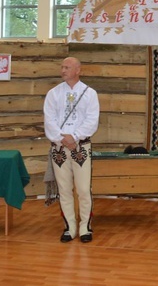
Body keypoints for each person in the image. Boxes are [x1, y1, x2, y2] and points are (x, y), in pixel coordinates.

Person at [43, 57, 99, 243]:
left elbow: (92, 120)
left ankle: (85, 227)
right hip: (59, 147)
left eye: (67, 67)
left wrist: (74, 137)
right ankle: (70, 226)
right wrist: (63, 138)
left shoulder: (90, 93)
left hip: (81, 147)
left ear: (78, 70)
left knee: (83, 189)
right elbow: (49, 120)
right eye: (62, 67)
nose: (63, 70)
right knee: (64, 189)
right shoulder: (53, 93)